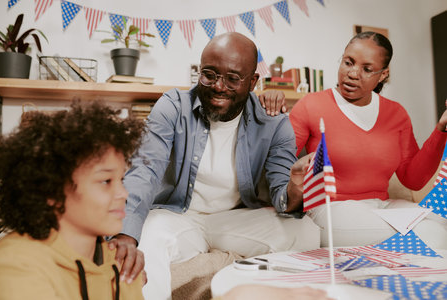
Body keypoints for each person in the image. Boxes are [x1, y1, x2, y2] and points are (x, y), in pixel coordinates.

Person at [110, 32, 320, 300]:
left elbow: (283, 198)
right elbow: (145, 170)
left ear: (253, 81)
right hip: (176, 216)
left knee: (306, 233)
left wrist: (296, 185)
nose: (219, 86)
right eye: (209, 74)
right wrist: (125, 234)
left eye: (233, 78)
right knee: (147, 242)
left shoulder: (274, 123)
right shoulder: (173, 106)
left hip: (233, 220)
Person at [288, 31, 447, 248]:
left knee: (440, 224)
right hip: (330, 209)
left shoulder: (396, 113)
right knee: (429, 233)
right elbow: (280, 162)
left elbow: (413, 179)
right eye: (348, 62)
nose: (353, 73)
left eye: (367, 69)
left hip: (382, 206)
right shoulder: (311, 105)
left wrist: (441, 130)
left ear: (383, 75)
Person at [0, 101, 146, 299]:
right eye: (105, 181)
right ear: (51, 190)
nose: (123, 194)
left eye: (121, 179)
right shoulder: (16, 263)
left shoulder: (123, 263)